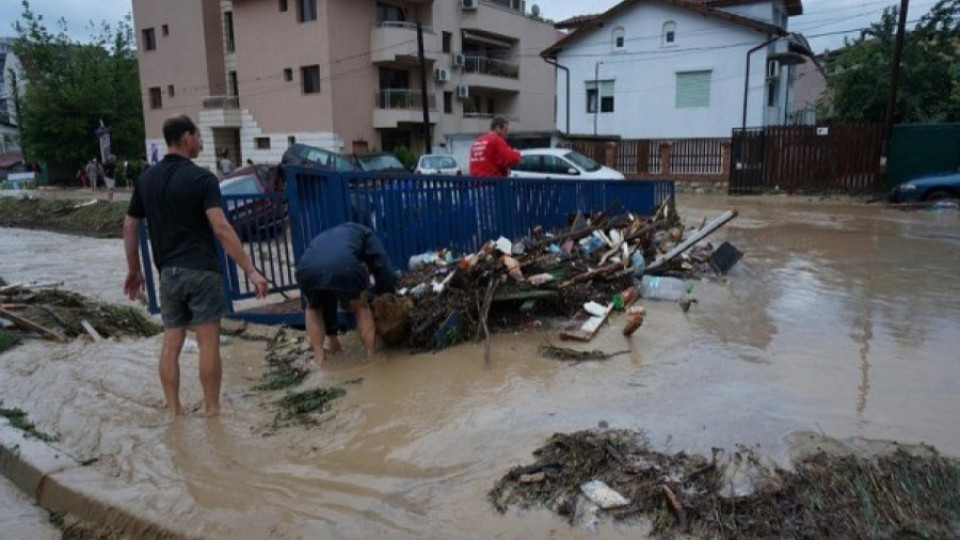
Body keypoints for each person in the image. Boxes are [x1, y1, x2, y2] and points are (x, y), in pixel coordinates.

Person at [122, 114, 268, 416]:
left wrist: (134, 270)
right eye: (199, 137)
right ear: (186, 138)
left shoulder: (146, 179)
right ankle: (212, 411)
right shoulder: (202, 179)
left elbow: (129, 226)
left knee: (171, 344)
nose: (201, 142)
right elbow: (221, 228)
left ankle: (174, 410)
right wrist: (251, 270)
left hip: (168, 274)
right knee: (208, 343)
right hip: (201, 270)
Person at [295, 223, 397, 365]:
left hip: (306, 269)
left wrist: (332, 333)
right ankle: (371, 357)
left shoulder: (327, 236)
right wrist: (387, 293)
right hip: (344, 266)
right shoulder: (366, 233)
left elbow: (328, 290)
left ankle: (320, 357)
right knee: (360, 306)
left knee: (313, 307)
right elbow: (382, 265)